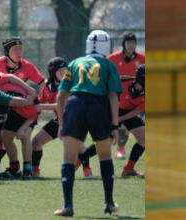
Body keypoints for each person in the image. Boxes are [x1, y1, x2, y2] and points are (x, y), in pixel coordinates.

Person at [54, 30, 121, 216]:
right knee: (105, 157)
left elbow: (60, 96)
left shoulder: (75, 63)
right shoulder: (108, 65)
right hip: (98, 106)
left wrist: (61, 124)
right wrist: (115, 126)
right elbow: (113, 96)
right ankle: (109, 202)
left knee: (68, 159)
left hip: (75, 104)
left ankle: (67, 206)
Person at [0, 37, 43, 179]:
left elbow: (43, 82)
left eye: (20, 49)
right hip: (7, 108)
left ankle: (28, 169)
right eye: (15, 49)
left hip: (25, 109)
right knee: (4, 137)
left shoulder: (27, 66)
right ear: (6, 52)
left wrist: (38, 99)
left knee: (25, 135)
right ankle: (13, 168)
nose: (19, 52)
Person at [106, 32, 146, 160]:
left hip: (133, 99)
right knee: (108, 136)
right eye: (128, 43)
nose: (131, 45)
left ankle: (121, 150)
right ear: (123, 44)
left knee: (127, 124)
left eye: (133, 42)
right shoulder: (112, 58)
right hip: (114, 98)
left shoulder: (143, 59)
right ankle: (83, 159)